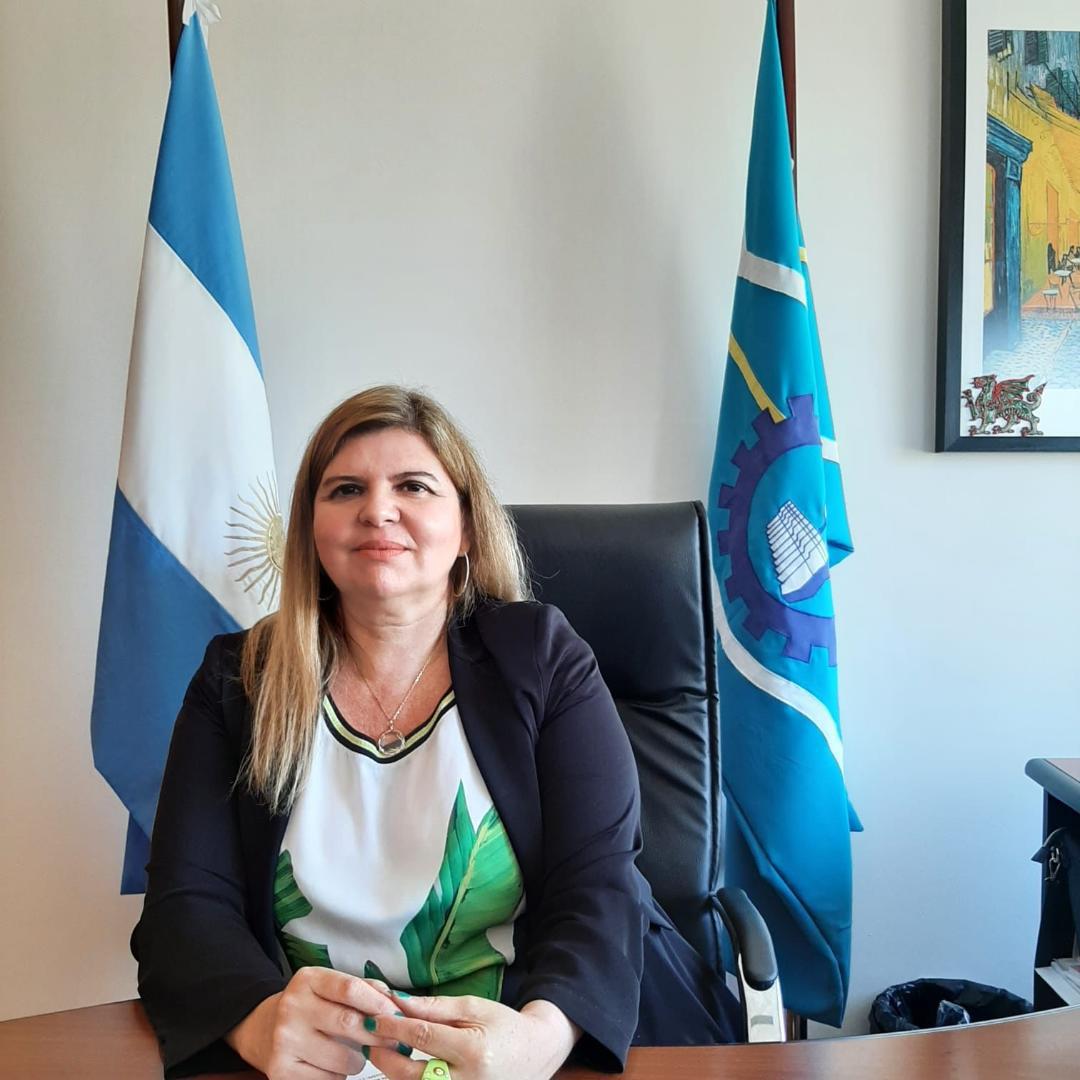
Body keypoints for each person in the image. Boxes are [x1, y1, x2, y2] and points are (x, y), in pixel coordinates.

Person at [132, 386, 739, 1080]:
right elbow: (186, 907)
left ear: (467, 527)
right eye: (345, 489)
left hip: (528, 1051)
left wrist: (538, 1040)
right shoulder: (239, 680)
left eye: (413, 486)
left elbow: (600, 886)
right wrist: (258, 1022)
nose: (377, 510)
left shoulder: (542, 658)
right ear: (310, 529)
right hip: (319, 1066)